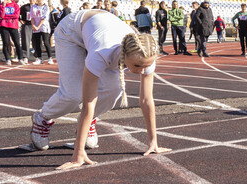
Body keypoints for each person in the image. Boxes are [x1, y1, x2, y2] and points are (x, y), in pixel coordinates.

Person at [28, 9, 170, 169]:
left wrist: (153, 142)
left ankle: (87, 125)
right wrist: (78, 154)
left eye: (146, 66)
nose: (142, 71)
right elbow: (89, 103)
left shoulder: (146, 54)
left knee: (114, 91)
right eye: (137, 66)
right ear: (125, 55)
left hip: (97, 31)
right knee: (73, 95)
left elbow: (146, 100)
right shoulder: (102, 54)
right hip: (71, 33)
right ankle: (42, 118)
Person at [0, 0, 24, 66]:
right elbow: (1, 16)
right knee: (6, 43)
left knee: (17, 43)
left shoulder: (15, 5)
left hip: (13, 25)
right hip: (3, 25)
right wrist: (4, 7)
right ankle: (7, 59)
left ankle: (20, 58)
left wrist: (6, 16)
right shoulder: (0, 6)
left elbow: (16, 15)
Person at [31, 0, 53, 65]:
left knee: (46, 42)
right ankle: (39, 58)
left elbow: (43, 18)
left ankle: (50, 57)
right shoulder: (33, 7)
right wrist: (34, 26)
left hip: (44, 26)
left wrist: (38, 26)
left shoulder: (46, 7)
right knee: (37, 43)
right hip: (36, 27)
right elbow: (32, 17)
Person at [19, 0, 35, 65]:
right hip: (27, 25)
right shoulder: (24, 7)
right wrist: (20, 20)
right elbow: (17, 14)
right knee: (25, 41)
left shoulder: (38, 7)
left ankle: (38, 56)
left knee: (37, 41)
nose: (32, 0)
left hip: (36, 26)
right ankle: (25, 56)